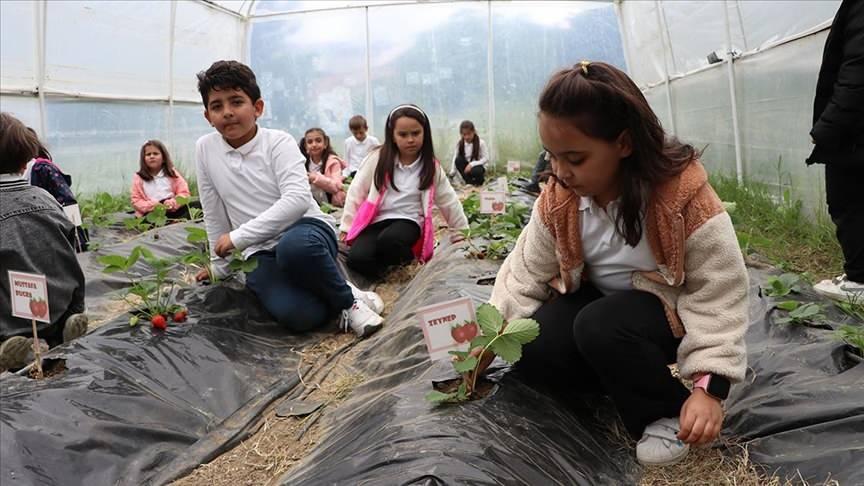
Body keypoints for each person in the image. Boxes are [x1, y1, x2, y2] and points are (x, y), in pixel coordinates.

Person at [485, 62, 748, 466]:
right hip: (604, 307)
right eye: (551, 157)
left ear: (624, 143)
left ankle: (664, 412)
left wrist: (708, 388)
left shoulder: (682, 199)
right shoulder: (559, 200)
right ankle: (620, 377)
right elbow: (524, 271)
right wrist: (488, 343)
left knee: (601, 324)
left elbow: (719, 289)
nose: (559, 172)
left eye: (574, 157)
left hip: (666, 314)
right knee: (535, 347)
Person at [193, 60, 383, 337]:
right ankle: (342, 290)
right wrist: (219, 266)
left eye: (236, 102)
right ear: (208, 116)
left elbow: (296, 200)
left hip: (305, 231)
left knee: (295, 249)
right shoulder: (205, 149)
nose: (228, 112)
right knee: (300, 315)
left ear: (257, 108)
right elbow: (213, 209)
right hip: (258, 251)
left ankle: (350, 303)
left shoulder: (278, 142)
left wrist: (237, 238)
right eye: (217, 106)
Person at [0, 112, 88, 371]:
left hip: (12, 319)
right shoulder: (44, 197)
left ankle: (11, 340)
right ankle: (63, 327)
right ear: (23, 162)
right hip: (60, 305)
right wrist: (76, 305)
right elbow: (71, 252)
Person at [340, 104, 468, 281]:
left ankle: (409, 268)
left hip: (408, 220)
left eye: (416, 133)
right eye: (403, 134)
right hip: (377, 220)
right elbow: (357, 191)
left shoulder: (430, 167)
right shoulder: (377, 158)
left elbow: (448, 201)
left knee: (390, 240)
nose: (410, 140)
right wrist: (346, 227)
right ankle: (387, 278)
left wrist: (461, 233)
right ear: (392, 135)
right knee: (357, 258)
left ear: (425, 133)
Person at [807, 0, 864, 301]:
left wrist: (826, 130)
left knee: (847, 203)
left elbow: (857, 73)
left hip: (854, 137)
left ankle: (859, 282)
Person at [25, 131, 89, 252]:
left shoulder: (42, 168)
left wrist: (76, 232)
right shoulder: (16, 173)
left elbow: (67, 199)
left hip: (55, 227)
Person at [130, 140, 192, 219]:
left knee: (197, 205)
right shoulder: (139, 177)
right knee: (145, 219)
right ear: (143, 159)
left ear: (163, 158)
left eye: (155, 153)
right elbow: (136, 200)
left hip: (172, 208)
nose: (152, 156)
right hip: (152, 212)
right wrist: (154, 206)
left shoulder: (172, 173)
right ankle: (168, 222)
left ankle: (175, 220)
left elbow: (184, 193)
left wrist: (173, 203)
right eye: (148, 154)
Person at [300, 127, 347, 207]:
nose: (314, 145)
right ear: (306, 146)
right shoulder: (303, 163)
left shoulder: (333, 162)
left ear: (325, 144)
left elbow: (336, 187)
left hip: (331, 205)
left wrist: (315, 178)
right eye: (310, 142)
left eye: (318, 141)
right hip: (311, 205)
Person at [448, 120, 488, 186]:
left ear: (474, 132)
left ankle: (479, 182)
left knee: (476, 171)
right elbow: (455, 157)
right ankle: (469, 182)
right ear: (461, 134)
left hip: (478, 167)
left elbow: (486, 158)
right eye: (464, 134)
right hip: (466, 167)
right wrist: (452, 172)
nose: (467, 137)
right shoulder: (460, 144)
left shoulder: (481, 143)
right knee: (458, 160)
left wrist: (472, 164)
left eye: (469, 134)